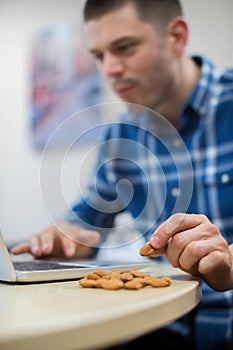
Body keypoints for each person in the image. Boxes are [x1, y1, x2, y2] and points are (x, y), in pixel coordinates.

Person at [11, 0, 233, 349]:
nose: (110, 69)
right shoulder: (119, 138)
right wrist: (64, 239)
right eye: (98, 56)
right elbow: (84, 229)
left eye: (125, 48)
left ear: (176, 37)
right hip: (163, 330)